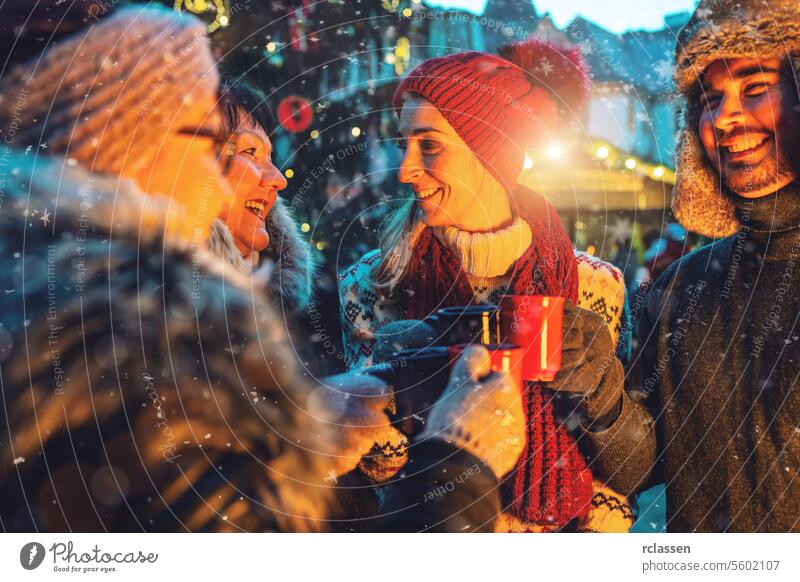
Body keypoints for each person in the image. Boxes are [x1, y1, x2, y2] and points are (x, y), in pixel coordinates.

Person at [0, 5, 381, 532]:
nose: (229, 182)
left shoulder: (64, 297)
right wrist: (459, 463)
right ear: (127, 138)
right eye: (210, 144)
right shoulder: (129, 332)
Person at [339, 39, 655, 532]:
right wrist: (394, 392)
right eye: (404, 144)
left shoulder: (597, 285)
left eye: (429, 145)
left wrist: (602, 393)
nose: (405, 169)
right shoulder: (372, 283)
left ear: (490, 153)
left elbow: (633, 470)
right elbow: (373, 479)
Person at [632, 0, 800, 531]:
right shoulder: (679, 288)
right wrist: (591, 378)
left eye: (755, 89)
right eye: (708, 100)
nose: (725, 119)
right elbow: (638, 464)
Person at [208, 78, 316, 319]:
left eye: (269, 157)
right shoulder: (147, 304)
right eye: (249, 151)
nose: (279, 179)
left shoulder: (297, 314)